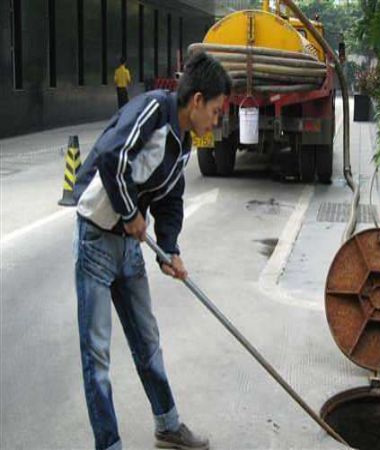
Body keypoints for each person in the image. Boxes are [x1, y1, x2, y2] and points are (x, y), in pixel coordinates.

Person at [73, 52, 231, 450]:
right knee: (98, 358)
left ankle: (168, 425)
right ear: (196, 100)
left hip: (128, 247)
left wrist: (170, 249)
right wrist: (129, 212)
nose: (216, 120)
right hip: (96, 238)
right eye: (215, 111)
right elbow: (114, 156)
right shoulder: (152, 111)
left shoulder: (184, 144)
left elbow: (170, 200)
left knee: (147, 341)